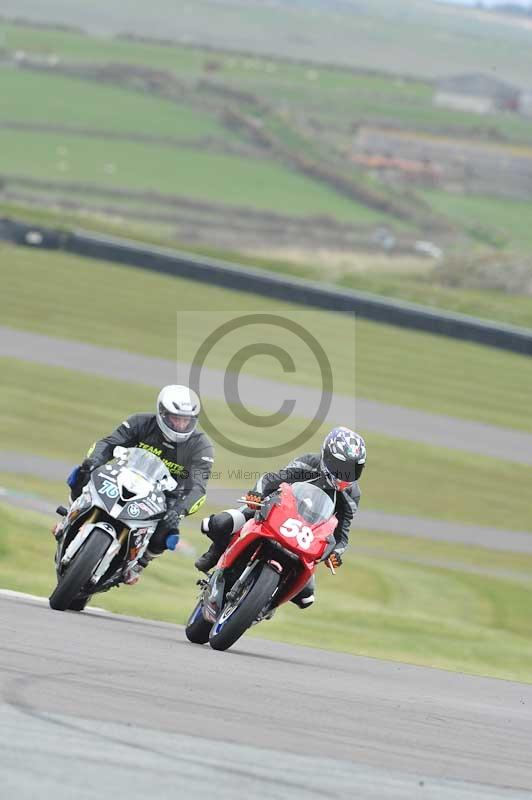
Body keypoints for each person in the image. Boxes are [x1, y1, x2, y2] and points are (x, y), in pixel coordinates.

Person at [195, 426, 366, 609]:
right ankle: (214, 555)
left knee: (306, 597)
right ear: (327, 456)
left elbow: (342, 533)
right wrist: (257, 494)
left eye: (352, 470)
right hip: (277, 508)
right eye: (341, 467)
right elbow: (271, 479)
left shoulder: (352, 494)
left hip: (308, 534)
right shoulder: (309, 463)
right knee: (221, 523)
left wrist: (336, 553)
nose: (345, 475)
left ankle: (267, 604)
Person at [61, 385, 214, 584]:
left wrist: (179, 511)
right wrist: (93, 461)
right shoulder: (140, 422)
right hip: (124, 476)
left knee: (169, 532)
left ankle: (140, 563)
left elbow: (199, 488)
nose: (180, 425)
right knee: (79, 474)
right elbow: (108, 443)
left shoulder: (201, 446)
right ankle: (69, 517)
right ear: (162, 413)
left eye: (186, 420)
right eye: (175, 418)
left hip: (166, 496)